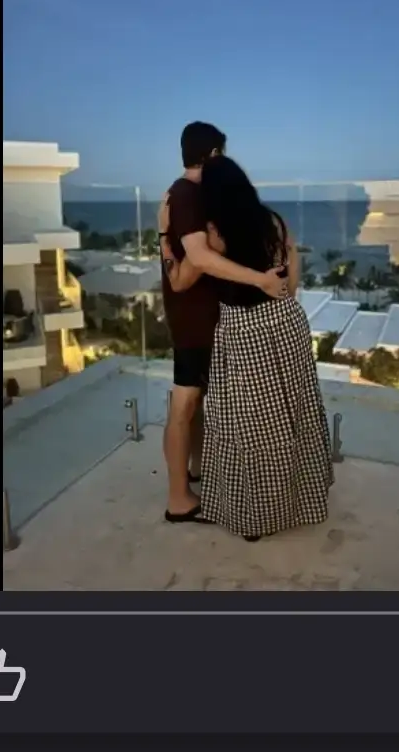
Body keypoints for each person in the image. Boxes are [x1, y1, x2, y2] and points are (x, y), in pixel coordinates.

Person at [163, 155, 333, 541]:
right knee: (293, 413)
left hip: (244, 331)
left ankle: (255, 519)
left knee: (247, 426)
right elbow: (292, 276)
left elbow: (180, 280)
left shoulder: (213, 234)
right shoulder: (275, 221)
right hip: (287, 321)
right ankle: (299, 502)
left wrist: (164, 239)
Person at [158, 123, 287, 524]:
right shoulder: (187, 195)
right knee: (184, 402)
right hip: (196, 319)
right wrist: (260, 279)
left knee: (193, 402)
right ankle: (178, 498)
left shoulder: (185, 195)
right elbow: (198, 257)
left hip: (202, 316)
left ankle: (193, 474)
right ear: (213, 152)